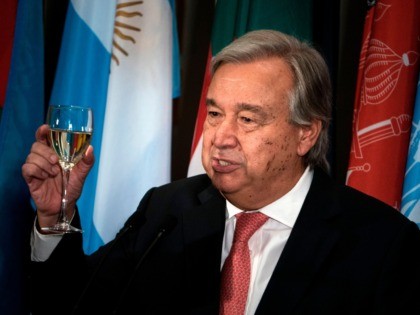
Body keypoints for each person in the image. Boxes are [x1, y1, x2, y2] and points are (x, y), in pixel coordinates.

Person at [23, 29, 420, 315]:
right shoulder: (168, 209)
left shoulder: (381, 245)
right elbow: (76, 303)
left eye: (248, 119)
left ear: (306, 134)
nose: (221, 137)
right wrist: (54, 215)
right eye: (215, 114)